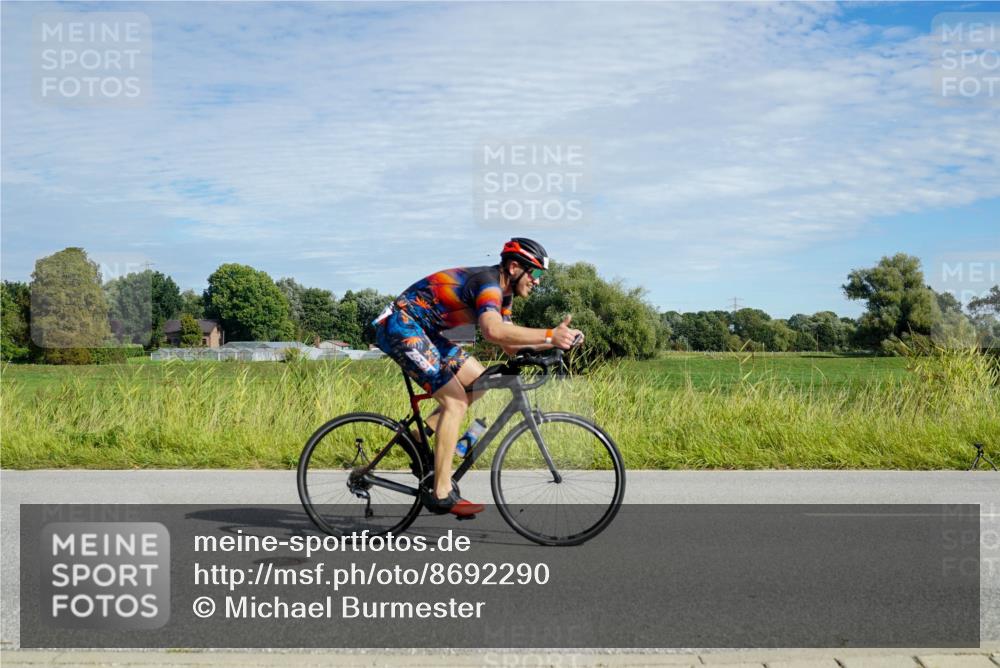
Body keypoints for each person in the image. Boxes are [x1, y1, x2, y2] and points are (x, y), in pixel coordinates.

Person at [373, 238, 584, 517]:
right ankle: (441, 492)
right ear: (513, 267)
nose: (537, 281)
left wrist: (558, 342)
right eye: (534, 273)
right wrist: (549, 334)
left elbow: (509, 344)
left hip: (427, 332)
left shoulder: (504, 295)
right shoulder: (488, 284)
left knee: (481, 380)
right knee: (456, 402)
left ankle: (416, 437)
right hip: (400, 325)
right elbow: (492, 331)